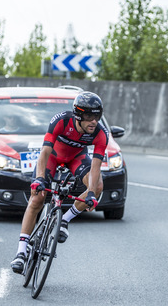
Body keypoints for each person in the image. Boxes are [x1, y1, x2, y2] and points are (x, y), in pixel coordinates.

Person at [10, 91, 109, 274]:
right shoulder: (61, 121)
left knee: (98, 186)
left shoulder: (101, 133)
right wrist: (40, 178)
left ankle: (64, 220)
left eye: (97, 116)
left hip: (77, 158)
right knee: (38, 198)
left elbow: (96, 167)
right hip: (53, 157)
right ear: (78, 115)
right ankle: (21, 253)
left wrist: (92, 194)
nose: (93, 121)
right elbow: (44, 152)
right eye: (89, 116)